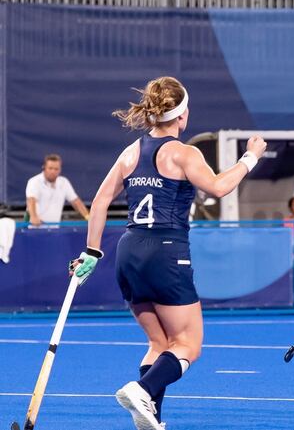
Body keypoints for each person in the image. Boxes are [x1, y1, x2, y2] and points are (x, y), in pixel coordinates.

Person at [68, 76, 266, 430]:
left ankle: (152, 419)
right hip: (165, 252)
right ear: (182, 115)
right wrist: (250, 158)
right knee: (189, 344)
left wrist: (92, 252)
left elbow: (99, 201)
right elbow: (219, 187)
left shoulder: (130, 153)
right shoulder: (184, 153)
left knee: (159, 342)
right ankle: (142, 390)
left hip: (128, 252)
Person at [25, 154, 90, 226]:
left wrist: (88, 217)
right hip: (35, 228)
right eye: (50, 168)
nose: (53, 171)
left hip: (55, 228)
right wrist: (34, 217)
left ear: (60, 170)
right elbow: (31, 200)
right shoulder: (34, 181)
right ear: (44, 168)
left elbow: (76, 202)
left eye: (56, 169)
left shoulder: (64, 182)